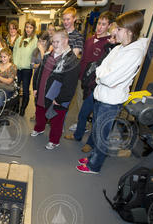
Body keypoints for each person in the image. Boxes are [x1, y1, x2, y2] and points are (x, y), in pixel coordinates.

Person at [76, 10, 148, 174]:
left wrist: (104, 76)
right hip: (102, 95)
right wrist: (104, 76)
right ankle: (93, 156)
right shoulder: (119, 49)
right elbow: (101, 69)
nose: (115, 31)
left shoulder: (133, 53)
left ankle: (94, 166)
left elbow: (108, 79)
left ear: (129, 31)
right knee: (96, 129)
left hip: (111, 101)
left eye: (119, 28)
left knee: (102, 135)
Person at [64, 11, 115, 146]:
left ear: (109, 26)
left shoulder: (109, 44)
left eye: (103, 24)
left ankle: (91, 143)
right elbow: (82, 59)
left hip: (95, 83)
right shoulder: (90, 40)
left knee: (94, 113)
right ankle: (78, 135)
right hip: (81, 78)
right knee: (81, 111)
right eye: (99, 23)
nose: (100, 27)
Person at [30, 30, 79, 150]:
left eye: (57, 42)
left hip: (57, 97)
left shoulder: (72, 60)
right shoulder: (48, 56)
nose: (55, 44)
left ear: (66, 41)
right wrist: (35, 87)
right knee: (40, 112)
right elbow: (38, 73)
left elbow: (70, 85)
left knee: (56, 120)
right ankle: (39, 128)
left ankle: (54, 140)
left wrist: (60, 99)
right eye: (53, 42)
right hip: (42, 92)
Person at [13, 19, 38, 116]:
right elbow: (14, 51)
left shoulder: (35, 40)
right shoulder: (19, 39)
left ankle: (23, 109)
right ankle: (15, 106)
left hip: (27, 69)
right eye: (27, 27)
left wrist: (33, 64)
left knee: (26, 90)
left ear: (33, 29)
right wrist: (14, 65)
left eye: (30, 27)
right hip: (17, 68)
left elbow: (36, 55)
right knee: (16, 89)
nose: (28, 29)